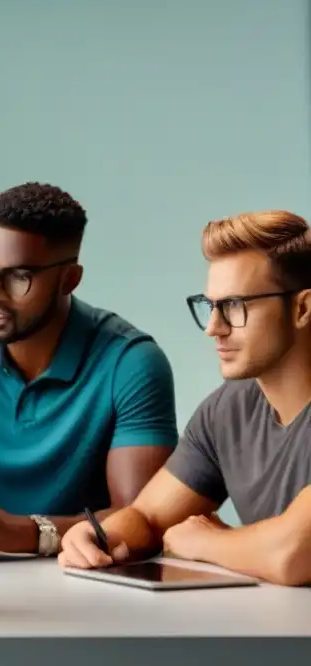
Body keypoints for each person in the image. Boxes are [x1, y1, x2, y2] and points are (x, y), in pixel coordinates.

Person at [0, 182, 178, 554]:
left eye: (19, 277)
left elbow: (143, 520)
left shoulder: (131, 363)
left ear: (70, 279)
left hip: (87, 580)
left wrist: (22, 532)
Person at [60, 210, 311, 586]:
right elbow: (148, 517)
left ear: (302, 308)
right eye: (211, 306)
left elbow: (292, 555)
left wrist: (210, 541)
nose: (214, 328)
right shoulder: (226, 411)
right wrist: (102, 536)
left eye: (236, 305)